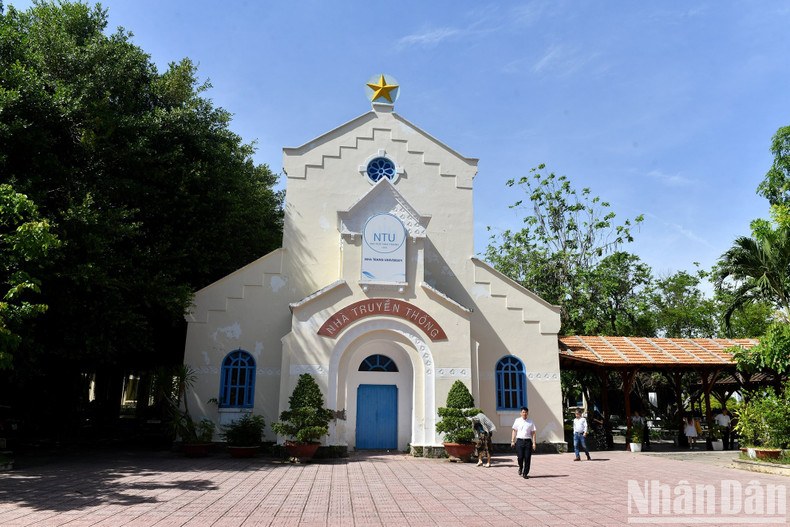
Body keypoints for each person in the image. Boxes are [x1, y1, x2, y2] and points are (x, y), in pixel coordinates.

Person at [510, 406, 537, 479]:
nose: (524, 413)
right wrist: (512, 440)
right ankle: (520, 467)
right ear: (521, 413)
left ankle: (525, 473)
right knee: (520, 457)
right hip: (519, 441)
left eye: (526, 412)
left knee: (527, 458)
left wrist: (534, 443)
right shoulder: (517, 420)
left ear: (527, 413)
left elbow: (533, 433)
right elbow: (514, 430)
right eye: (523, 412)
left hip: (528, 441)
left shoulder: (530, 421)